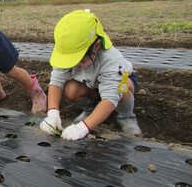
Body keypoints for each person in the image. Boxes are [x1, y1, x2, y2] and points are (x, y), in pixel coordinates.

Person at [39, 10, 142, 140]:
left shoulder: (110, 59)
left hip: (117, 85)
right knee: (71, 90)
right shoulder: (67, 49)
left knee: (123, 87)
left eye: (79, 59)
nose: (75, 64)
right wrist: (52, 114)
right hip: (90, 84)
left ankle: (126, 117)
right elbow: (56, 82)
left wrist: (83, 128)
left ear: (97, 46)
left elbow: (110, 97)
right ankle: (91, 110)